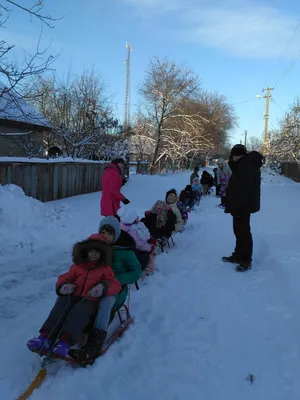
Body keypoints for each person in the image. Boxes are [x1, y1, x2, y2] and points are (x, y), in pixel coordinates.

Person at [27, 235, 122, 358]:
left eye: (97, 253)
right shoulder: (78, 266)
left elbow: (115, 284)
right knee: (61, 305)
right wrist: (64, 285)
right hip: (73, 296)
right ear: (85, 251)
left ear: (103, 254)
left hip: (89, 300)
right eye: (91, 251)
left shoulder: (105, 269)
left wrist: (102, 288)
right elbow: (66, 277)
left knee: (79, 312)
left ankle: (65, 342)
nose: (93, 255)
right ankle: (45, 337)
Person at [70, 216, 142, 362]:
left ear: (116, 234)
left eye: (109, 233)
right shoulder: (96, 246)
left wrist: (117, 280)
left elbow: (136, 271)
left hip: (116, 289)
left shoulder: (125, 251)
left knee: (105, 302)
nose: (105, 236)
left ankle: (94, 343)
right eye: (103, 232)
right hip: (93, 285)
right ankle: (67, 331)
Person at [223, 144, 263, 272]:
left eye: (233, 156)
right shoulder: (243, 165)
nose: (231, 158)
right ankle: (238, 255)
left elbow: (244, 189)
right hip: (240, 205)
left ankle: (246, 260)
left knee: (243, 233)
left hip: (243, 205)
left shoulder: (247, 166)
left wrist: (237, 205)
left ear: (237, 155)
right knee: (239, 231)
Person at [118, 207, 156, 276]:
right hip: (138, 250)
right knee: (150, 258)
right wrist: (149, 247)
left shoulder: (137, 225)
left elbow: (145, 232)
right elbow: (138, 244)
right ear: (133, 219)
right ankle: (149, 270)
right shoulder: (131, 231)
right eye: (136, 217)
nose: (138, 218)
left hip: (144, 245)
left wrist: (150, 238)